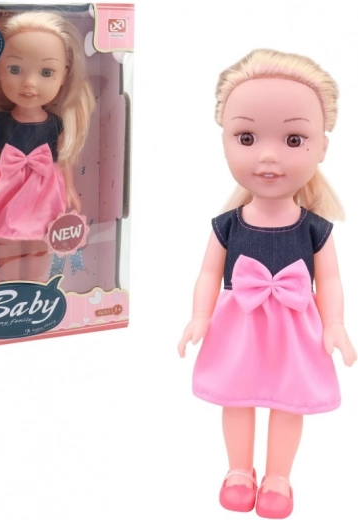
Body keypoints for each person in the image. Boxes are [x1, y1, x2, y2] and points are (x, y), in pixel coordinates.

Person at [178, 49, 356, 519]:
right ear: (224, 141)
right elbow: (209, 273)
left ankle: (278, 477)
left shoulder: (315, 229)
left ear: (322, 147)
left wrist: (335, 324)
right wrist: (199, 316)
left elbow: (331, 279)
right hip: (238, 325)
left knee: (287, 401)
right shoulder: (227, 224)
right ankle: (239, 471)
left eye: (294, 139)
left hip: (296, 327)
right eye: (247, 137)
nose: (269, 156)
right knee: (236, 398)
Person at [0, 11, 94, 281]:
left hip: (44, 194)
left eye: (47, 72)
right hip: (8, 194)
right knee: (7, 244)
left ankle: (35, 289)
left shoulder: (56, 124)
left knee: (40, 243)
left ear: (64, 75)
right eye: (14, 69)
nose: (30, 83)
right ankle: (10, 289)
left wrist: (69, 187)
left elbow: (63, 158)